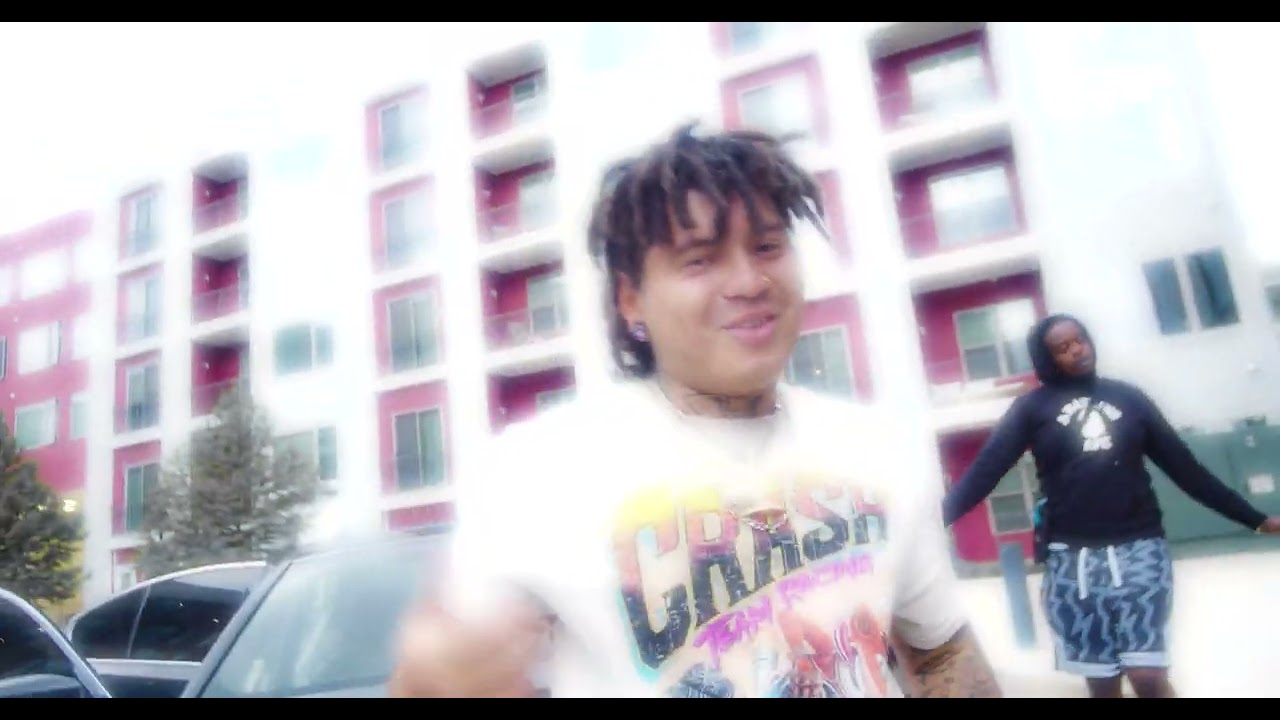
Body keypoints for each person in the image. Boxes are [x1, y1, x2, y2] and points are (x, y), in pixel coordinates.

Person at [388, 123, 1003, 699]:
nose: (749, 281)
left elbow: (941, 651)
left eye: (767, 247)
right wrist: (430, 678)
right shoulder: (538, 470)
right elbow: (445, 677)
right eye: (700, 259)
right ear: (631, 299)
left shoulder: (877, 449)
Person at [942, 313, 1280, 699]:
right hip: (1073, 561)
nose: (1077, 350)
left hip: (1140, 549)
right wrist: (935, 521)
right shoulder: (1031, 409)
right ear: (1046, 359)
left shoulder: (1129, 399)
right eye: (1063, 348)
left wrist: (1255, 520)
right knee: (1103, 683)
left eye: (1080, 340)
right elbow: (983, 473)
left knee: (1147, 674)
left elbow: (1186, 469)